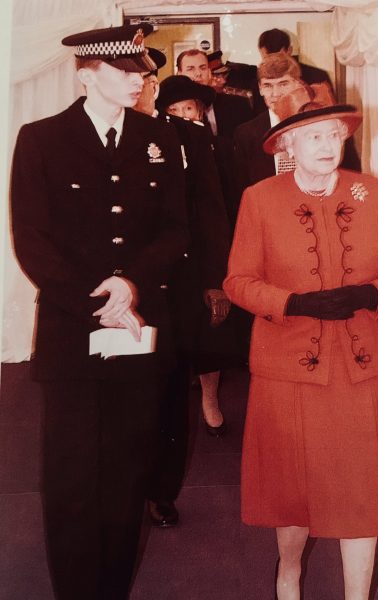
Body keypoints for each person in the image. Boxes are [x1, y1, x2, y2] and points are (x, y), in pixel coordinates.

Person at [10, 24, 187, 600]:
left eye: (142, 71)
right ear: (87, 74)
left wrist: (130, 284)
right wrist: (99, 295)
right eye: (124, 71)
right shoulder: (40, 138)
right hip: (72, 331)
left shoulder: (159, 139)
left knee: (125, 475)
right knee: (71, 478)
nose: (138, 80)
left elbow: (174, 230)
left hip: (138, 327)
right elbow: (32, 239)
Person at [223, 82, 378, 600]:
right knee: (294, 496)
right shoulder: (259, 200)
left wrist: (371, 291)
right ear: (286, 147)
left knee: (361, 495)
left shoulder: (373, 194)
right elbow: (237, 282)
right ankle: (289, 570)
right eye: (313, 136)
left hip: (360, 367)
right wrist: (294, 303)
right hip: (289, 369)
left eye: (334, 134)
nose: (328, 144)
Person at [135, 68, 233, 526]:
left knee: (170, 388)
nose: (140, 87)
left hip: (177, 283)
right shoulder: (91, 139)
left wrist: (215, 278)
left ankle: (160, 489)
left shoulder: (188, 138)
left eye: (147, 80)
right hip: (115, 288)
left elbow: (211, 211)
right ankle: (122, 482)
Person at [234, 52, 361, 196]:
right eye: (268, 86)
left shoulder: (328, 123)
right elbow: (242, 191)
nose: (275, 94)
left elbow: (352, 174)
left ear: (298, 84)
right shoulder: (246, 134)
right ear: (260, 88)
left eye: (283, 84)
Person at [176, 48, 253, 139]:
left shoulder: (239, 105)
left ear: (209, 72)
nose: (198, 73)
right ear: (179, 74)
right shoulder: (172, 110)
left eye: (202, 68)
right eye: (190, 69)